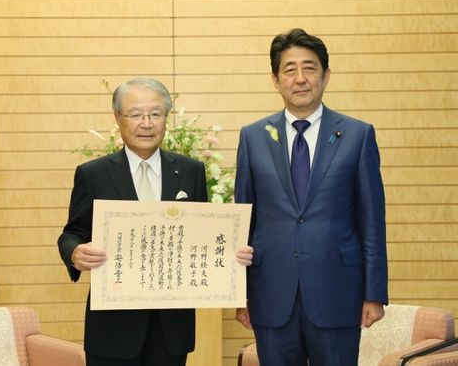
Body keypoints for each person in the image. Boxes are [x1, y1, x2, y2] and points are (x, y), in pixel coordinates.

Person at [58, 77, 250, 366]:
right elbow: (72, 233)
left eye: (155, 114)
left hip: (171, 328)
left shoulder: (190, 171)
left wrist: (230, 256)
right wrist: (74, 252)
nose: (146, 123)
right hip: (113, 329)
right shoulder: (93, 174)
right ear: (117, 118)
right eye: (135, 114)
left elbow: (202, 236)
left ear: (166, 118)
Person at [234, 28, 388, 365]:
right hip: (271, 294)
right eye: (289, 70)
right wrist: (239, 293)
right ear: (275, 79)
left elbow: (372, 220)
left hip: (338, 293)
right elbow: (243, 220)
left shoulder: (357, 135)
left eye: (310, 68)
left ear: (326, 75)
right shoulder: (253, 137)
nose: (300, 78)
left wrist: (374, 293)